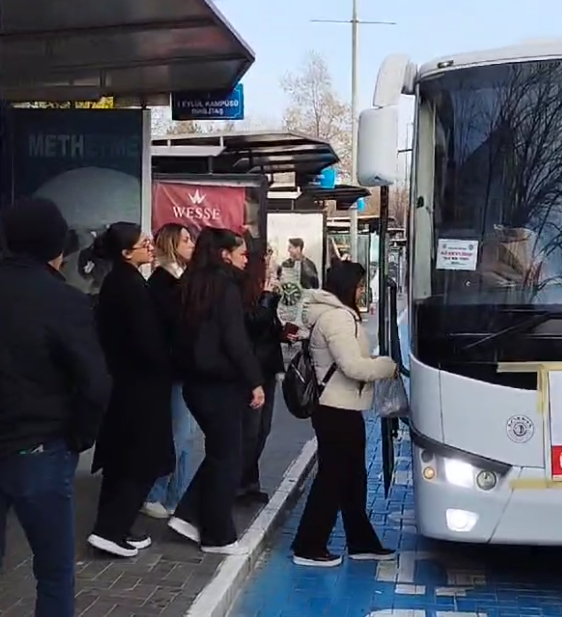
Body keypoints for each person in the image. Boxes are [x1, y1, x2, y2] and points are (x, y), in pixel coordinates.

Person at [0, 198, 111, 616]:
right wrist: (77, 438)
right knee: (54, 574)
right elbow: (94, 383)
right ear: (57, 249)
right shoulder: (65, 302)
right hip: (40, 452)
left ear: (5, 243)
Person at [290, 260, 397, 568]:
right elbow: (353, 366)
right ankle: (308, 545)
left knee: (351, 477)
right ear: (347, 286)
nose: (363, 291)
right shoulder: (337, 318)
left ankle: (360, 540)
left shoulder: (335, 315)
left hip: (342, 406)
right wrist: (386, 366)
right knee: (333, 478)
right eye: (360, 285)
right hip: (336, 407)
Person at [168, 228, 265, 554]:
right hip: (222, 385)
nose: (245, 258)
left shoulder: (189, 285)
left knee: (221, 454)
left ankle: (188, 514)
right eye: (240, 252)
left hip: (194, 384)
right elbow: (235, 340)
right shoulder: (226, 287)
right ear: (224, 255)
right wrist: (255, 380)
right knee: (229, 458)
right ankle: (217, 535)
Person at [87, 223, 175, 558]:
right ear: (126, 253)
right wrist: (168, 360)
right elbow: (146, 340)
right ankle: (110, 528)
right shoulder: (128, 286)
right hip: (139, 387)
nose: (151, 248)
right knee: (142, 460)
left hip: (128, 384)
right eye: (145, 244)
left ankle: (117, 527)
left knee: (122, 460)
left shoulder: (122, 281)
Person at [141, 223, 197, 520]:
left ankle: (176, 494)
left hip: (182, 371)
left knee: (185, 437)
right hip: (172, 371)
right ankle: (157, 492)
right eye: (186, 240)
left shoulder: (182, 279)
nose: (192, 244)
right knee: (179, 436)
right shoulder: (164, 282)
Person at [238, 238, 285, 504]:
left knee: (262, 429)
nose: (273, 269)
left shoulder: (266, 295)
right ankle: (239, 482)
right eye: (268, 264)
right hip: (252, 371)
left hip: (267, 368)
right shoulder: (246, 296)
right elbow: (254, 326)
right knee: (251, 430)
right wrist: (268, 298)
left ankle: (249, 480)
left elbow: (269, 327)